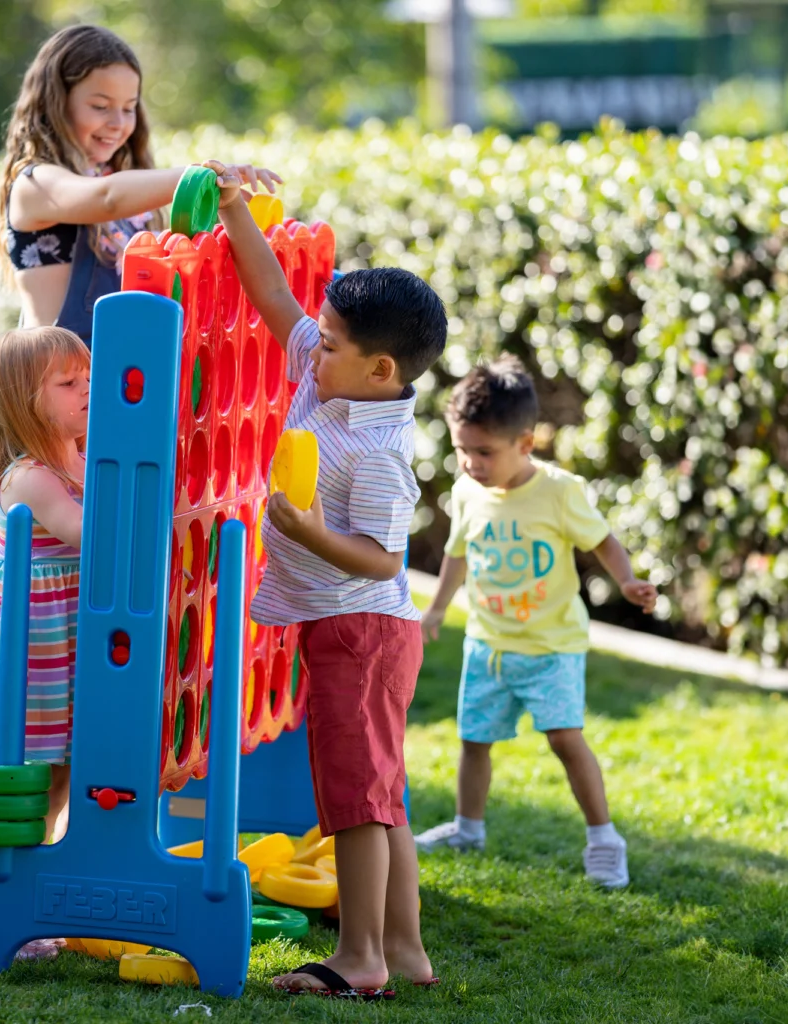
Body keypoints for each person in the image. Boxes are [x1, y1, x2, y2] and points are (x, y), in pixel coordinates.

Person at [208, 161, 442, 1000]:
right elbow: (276, 300)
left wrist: (307, 531)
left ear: (382, 370)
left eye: (333, 344)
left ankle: (359, 961)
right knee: (382, 798)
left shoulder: (379, 452)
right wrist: (236, 213)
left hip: (361, 631)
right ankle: (407, 952)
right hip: (351, 629)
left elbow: (383, 558)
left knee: (353, 803)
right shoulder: (329, 370)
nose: (315, 348)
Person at [414, 357, 658, 889]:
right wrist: (436, 608)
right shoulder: (466, 492)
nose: (471, 463)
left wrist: (627, 581)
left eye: (484, 452)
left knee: (565, 739)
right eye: (462, 450)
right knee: (474, 740)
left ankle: (603, 838)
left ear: (525, 444)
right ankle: (468, 828)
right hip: (488, 645)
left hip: (551, 648)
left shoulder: (559, 491)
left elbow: (603, 540)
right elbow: (458, 553)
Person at [0, 25, 279, 344]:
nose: (118, 123)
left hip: (123, 377)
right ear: (56, 102)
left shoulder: (119, 183)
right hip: (59, 381)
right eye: (101, 106)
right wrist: (197, 177)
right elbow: (107, 199)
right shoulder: (36, 184)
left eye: (128, 107)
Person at [0, 326, 91, 961]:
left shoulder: (82, 453)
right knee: (24, 779)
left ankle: (36, 901)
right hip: (29, 644)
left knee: (61, 776)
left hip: (65, 639)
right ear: (22, 401)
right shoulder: (32, 477)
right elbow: (88, 532)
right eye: (68, 383)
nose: (87, 387)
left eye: (87, 375)